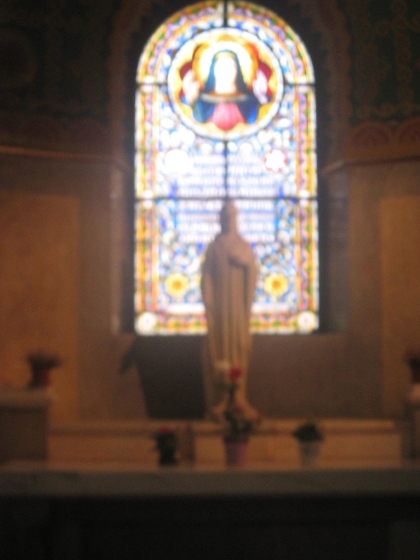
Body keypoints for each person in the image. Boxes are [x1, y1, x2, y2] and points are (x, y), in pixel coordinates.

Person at [201, 201, 259, 416]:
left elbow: (253, 269)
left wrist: (245, 263)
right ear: (220, 219)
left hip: (238, 307)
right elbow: (206, 275)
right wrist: (208, 299)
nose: (227, 220)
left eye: (231, 216)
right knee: (221, 347)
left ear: (235, 218)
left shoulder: (243, 246)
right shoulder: (214, 247)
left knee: (239, 344)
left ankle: (239, 395)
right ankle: (224, 397)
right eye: (224, 216)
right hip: (219, 308)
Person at [181, 49, 262, 131]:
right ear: (213, 69)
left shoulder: (250, 102)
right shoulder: (200, 102)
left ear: (238, 70)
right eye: (221, 66)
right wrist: (189, 98)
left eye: (231, 66)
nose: (226, 71)